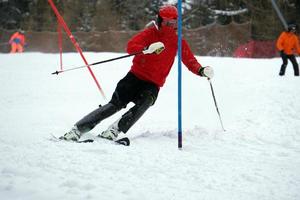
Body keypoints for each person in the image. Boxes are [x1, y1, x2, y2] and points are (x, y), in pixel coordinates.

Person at [60, 5, 214, 141]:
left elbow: (189, 60)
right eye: (167, 22)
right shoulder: (149, 34)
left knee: (145, 102)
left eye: (173, 23)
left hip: (153, 84)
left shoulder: (177, 40)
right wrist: (146, 49)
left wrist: (201, 70)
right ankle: (78, 129)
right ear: (160, 21)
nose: (170, 26)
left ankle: (114, 130)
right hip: (134, 78)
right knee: (114, 105)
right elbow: (131, 46)